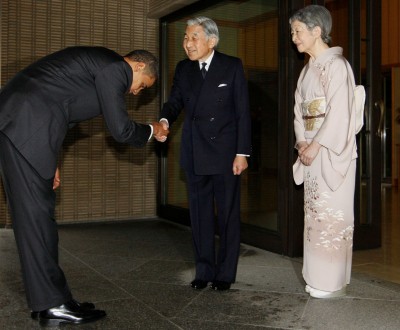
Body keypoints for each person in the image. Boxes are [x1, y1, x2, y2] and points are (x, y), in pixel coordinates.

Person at [0, 46, 169, 326]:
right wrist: (153, 129)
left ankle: (49, 302)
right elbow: (120, 129)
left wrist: (50, 158)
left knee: (36, 220)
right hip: (25, 126)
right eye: (142, 87)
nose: (136, 93)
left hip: (27, 129)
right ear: (138, 67)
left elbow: (61, 111)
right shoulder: (115, 69)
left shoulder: (100, 68)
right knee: (37, 221)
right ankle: (53, 304)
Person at [158, 16, 251, 291]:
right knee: (199, 216)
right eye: (185, 38)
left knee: (227, 215)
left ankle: (225, 274)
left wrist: (242, 153)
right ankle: (203, 270)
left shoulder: (231, 66)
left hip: (225, 154)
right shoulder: (183, 69)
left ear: (212, 40)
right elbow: (174, 102)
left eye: (194, 37)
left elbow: (242, 112)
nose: (188, 43)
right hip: (195, 150)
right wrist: (164, 121)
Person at [290, 5, 358, 298]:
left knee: (332, 214)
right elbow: (299, 112)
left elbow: (340, 112)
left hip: (330, 152)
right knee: (315, 215)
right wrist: (303, 142)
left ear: (317, 31)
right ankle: (317, 276)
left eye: (298, 31)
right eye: (293, 32)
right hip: (312, 152)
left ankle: (330, 282)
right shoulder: (307, 71)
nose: (294, 37)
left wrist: (316, 144)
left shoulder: (337, 65)